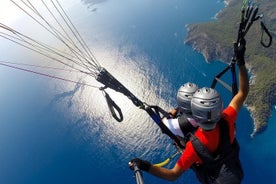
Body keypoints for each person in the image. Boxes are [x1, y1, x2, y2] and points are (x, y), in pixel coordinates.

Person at [129, 38, 248, 184]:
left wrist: (144, 165)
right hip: (234, 171)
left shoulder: (192, 148)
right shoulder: (227, 118)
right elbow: (242, 92)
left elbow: (172, 175)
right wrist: (241, 61)